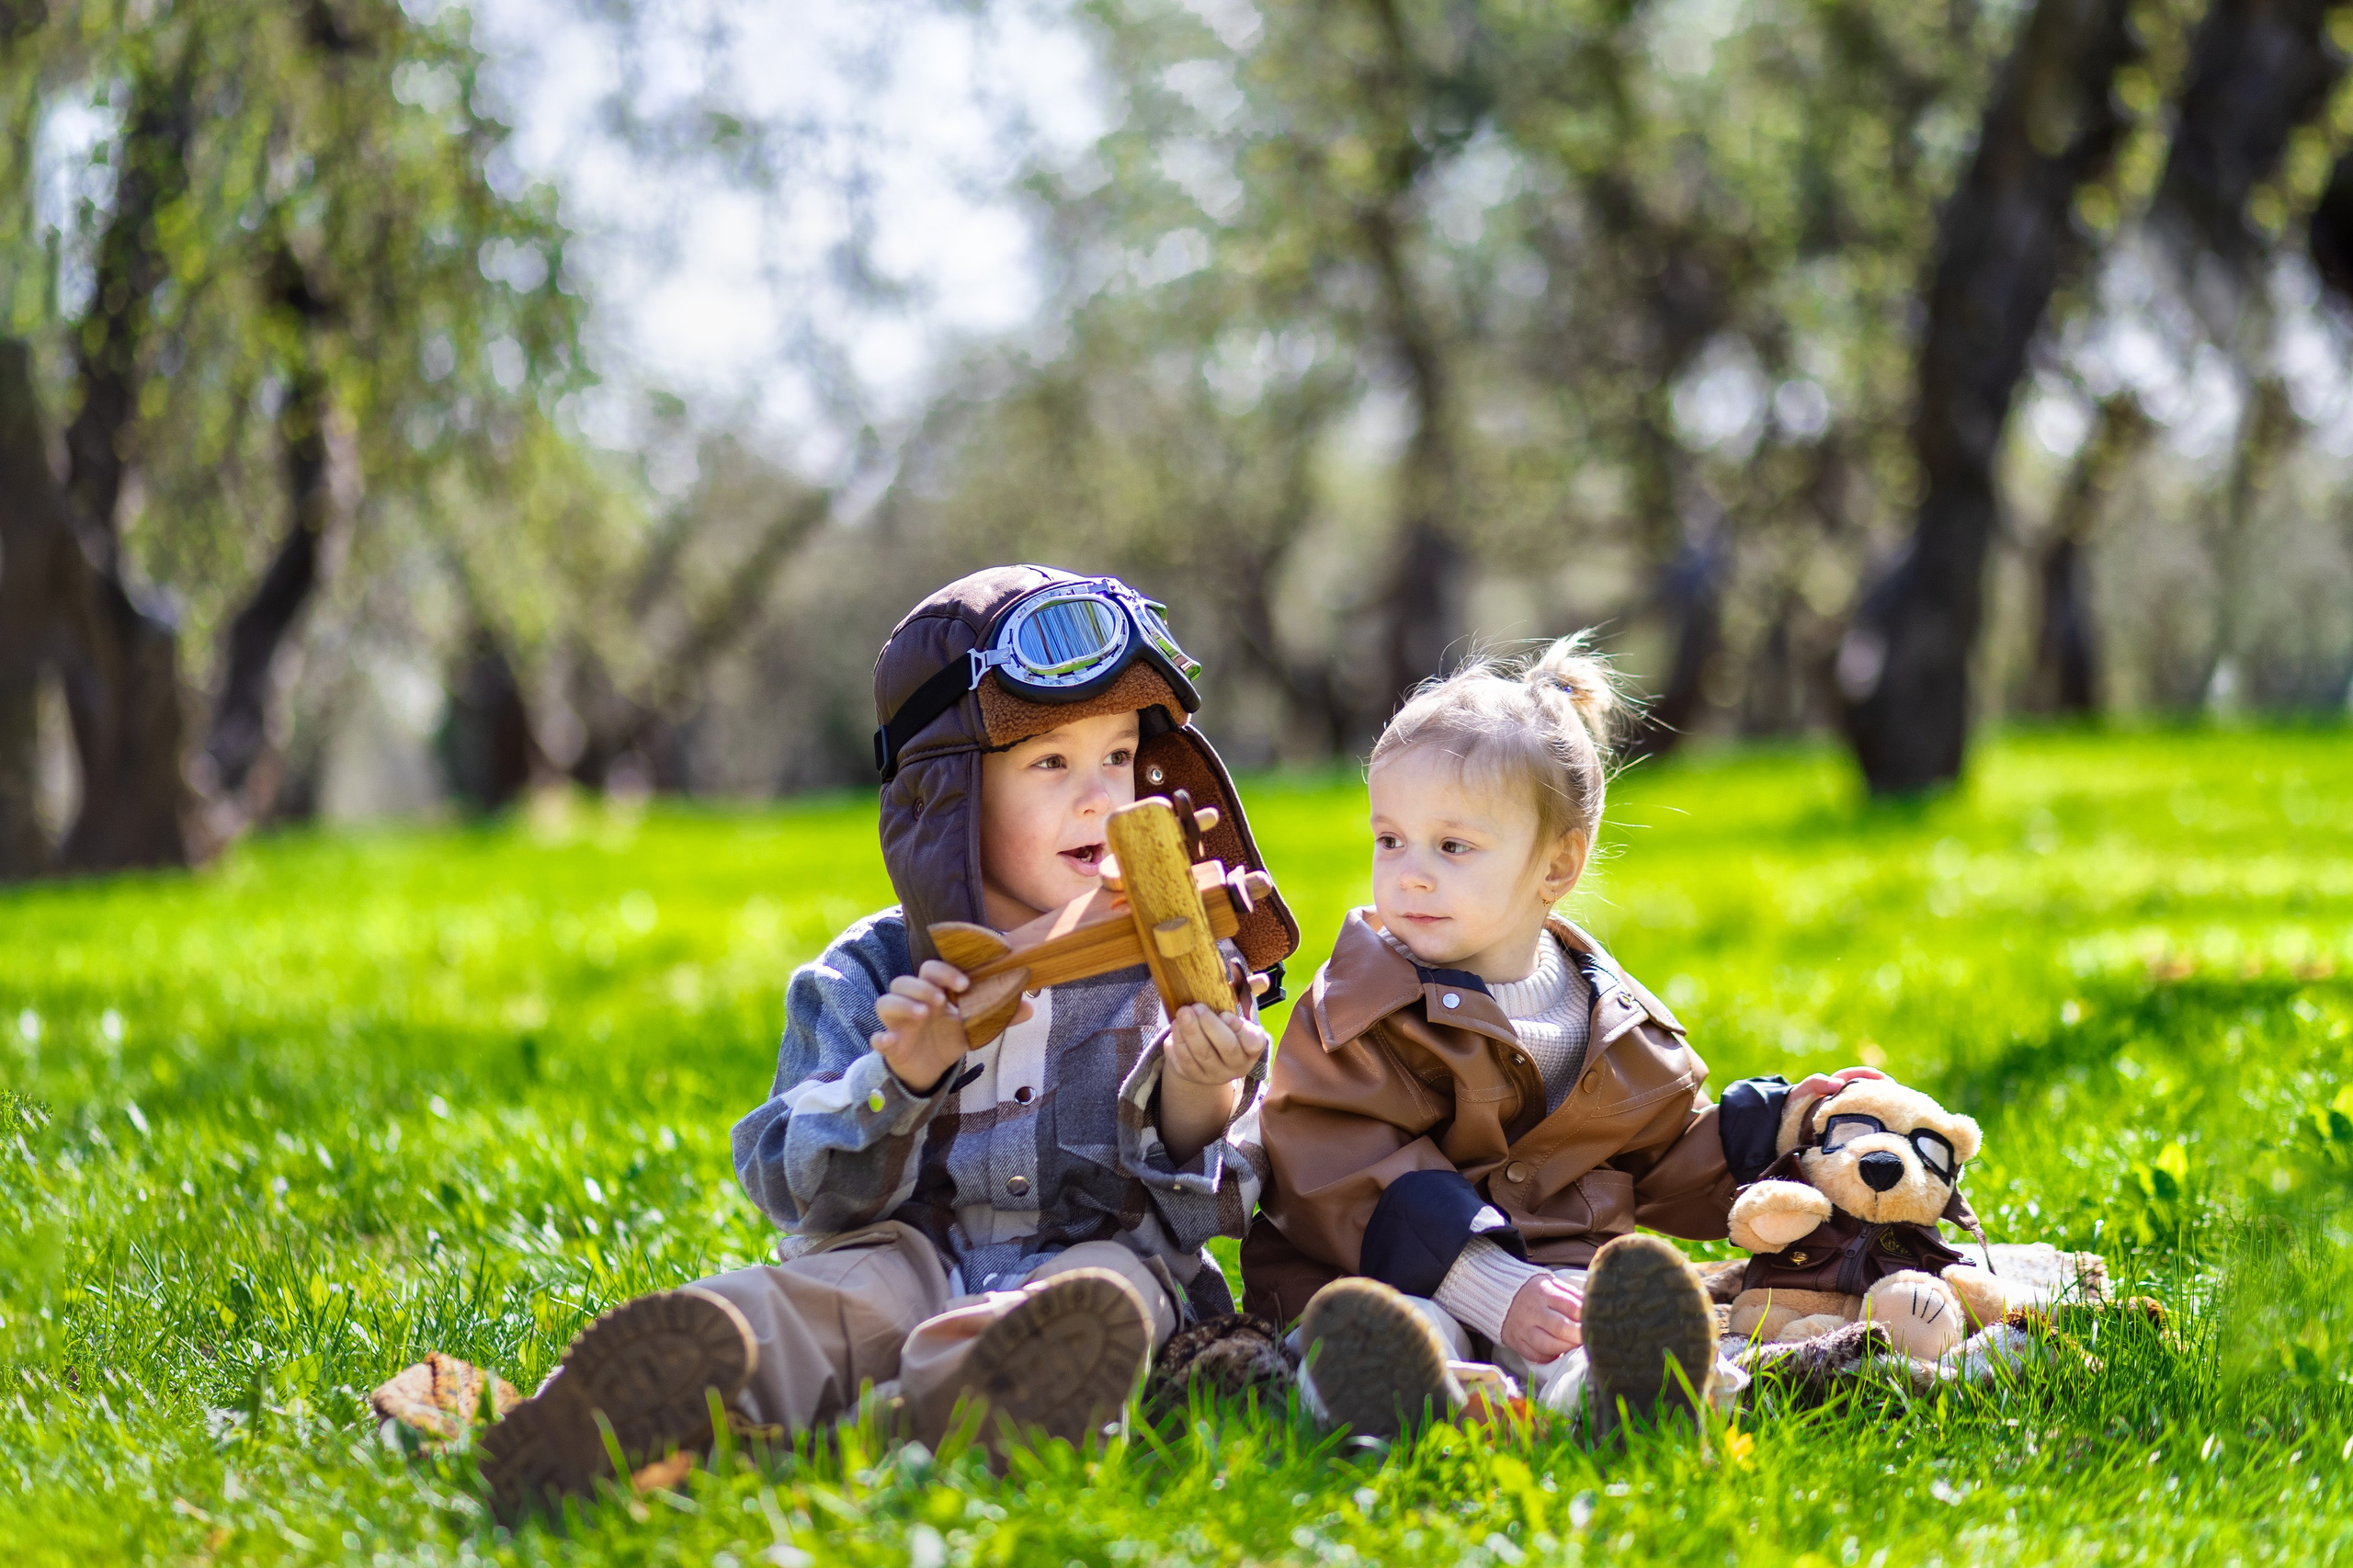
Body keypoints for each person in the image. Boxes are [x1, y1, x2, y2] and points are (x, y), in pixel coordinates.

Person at [477, 567, 1298, 1517]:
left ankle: (935, 1411)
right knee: (832, 1296)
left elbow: (1222, 1205)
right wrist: (899, 1075)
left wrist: (1201, 1094)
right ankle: (632, 1397)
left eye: (1117, 756)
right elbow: (792, 1181)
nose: (1097, 796)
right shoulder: (866, 972)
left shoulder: (1174, 955)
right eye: (1050, 764)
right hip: (908, 1250)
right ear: (945, 794)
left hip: (1097, 1260)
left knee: (1100, 1299)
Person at [1237, 636, 1880, 1436]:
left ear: (1557, 867)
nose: (1410, 873)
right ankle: (1394, 1389)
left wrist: (1776, 1130)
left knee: (1582, 1341)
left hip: (1559, 1286)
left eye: (1453, 846)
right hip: (1377, 1276)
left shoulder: (1613, 1023)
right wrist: (1489, 1290)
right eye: (1390, 839)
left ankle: (1610, 1396)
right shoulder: (1357, 1014)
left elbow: (1664, 1162)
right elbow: (1335, 1170)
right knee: (1405, 1328)